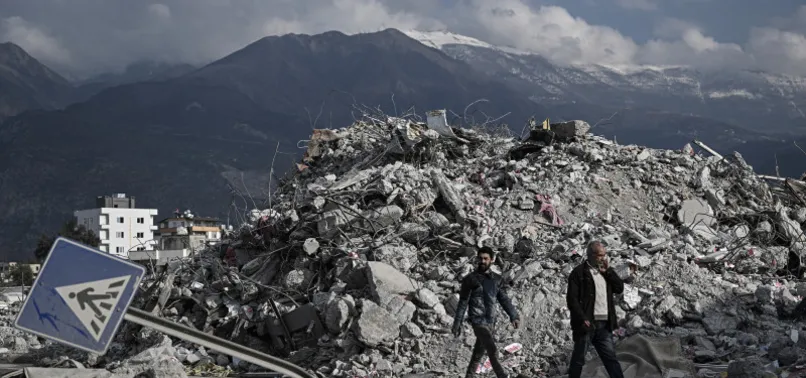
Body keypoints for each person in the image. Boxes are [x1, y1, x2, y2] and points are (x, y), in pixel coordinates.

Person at [452, 246, 520, 378]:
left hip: (490, 322)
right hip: (478, 321)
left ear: (492, 260)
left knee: (478, 353)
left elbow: (504, 299)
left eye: (485, 258)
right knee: (492, 350)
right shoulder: (470, 279)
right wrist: (457, 323)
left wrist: (513, 315)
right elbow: (462, 302)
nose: (482, 261)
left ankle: (469, 376)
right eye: (480, 258)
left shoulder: (497, 279)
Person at [566, 241, 625, 378]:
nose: (603, 258)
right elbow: (572, 300)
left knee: (610, 359)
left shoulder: (605, 272)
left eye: (605, 255)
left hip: (604, 324)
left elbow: (619, 288)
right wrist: (582, 318)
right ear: (591, 255)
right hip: (587, 324)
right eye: (600, 255)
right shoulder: (578, 273)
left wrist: (609, 272)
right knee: (578, 359)